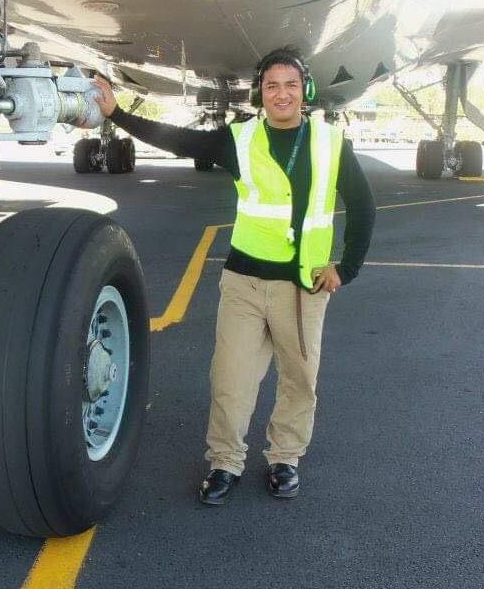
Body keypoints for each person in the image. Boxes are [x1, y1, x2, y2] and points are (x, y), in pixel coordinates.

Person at [92, 47, 375, 504]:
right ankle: (225, 462)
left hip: (302, 287)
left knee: (299, 379)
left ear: (305, 92)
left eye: (290, 85)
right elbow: (178, 140)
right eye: (271, 86)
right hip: (243, 283)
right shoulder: (239, 138)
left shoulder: (329, 142)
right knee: (230, 379)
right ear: (259, 94)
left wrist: (347, 267)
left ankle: (285, 458)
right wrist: (118, 114)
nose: (281, 94)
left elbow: (363, 205)